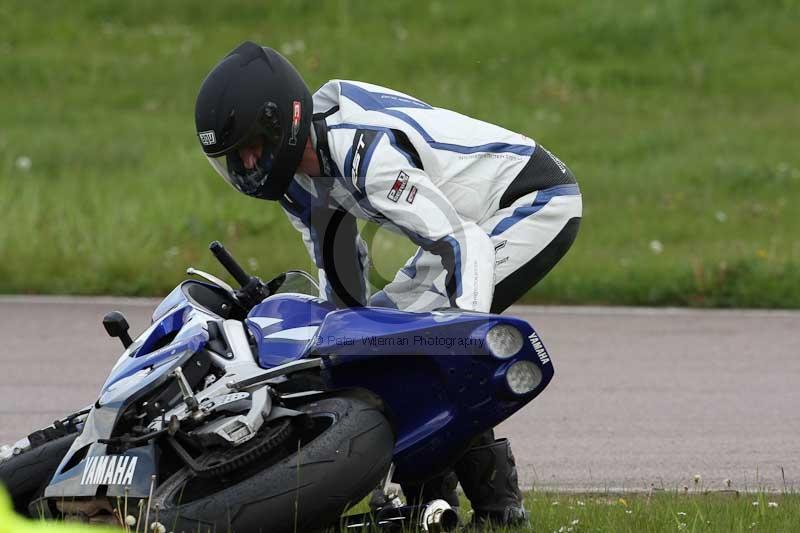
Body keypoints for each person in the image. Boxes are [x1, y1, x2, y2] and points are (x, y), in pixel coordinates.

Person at [194, 41, 582, 526]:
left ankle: (500, 512)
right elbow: (344, 292)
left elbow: (466, 245)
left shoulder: (364, 154)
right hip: (468, 226)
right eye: (236, 157)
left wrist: (456, 346)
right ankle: (431, 502)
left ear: (283, 122)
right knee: (382, 344)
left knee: (432, 347)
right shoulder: (298, 182)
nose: (249, 166)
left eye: (253, 147)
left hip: (531, 203)